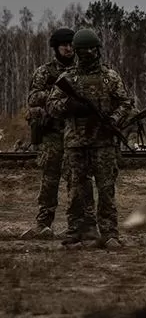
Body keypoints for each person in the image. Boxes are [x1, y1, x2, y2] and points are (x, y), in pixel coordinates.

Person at [45, 28, 135, 248]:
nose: (88, 53)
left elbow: (125, 103)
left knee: (106, 189)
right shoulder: (68, 78)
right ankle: (78, 230)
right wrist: (70, 105)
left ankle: (109, 232)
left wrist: (113, 119)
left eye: (91, 49)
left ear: (98, 50)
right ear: (76, 51)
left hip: (103, 142)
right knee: (77, 189)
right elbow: (51, 106)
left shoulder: (109, 77)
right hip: (75, 143)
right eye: (83, 50)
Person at [22, 27, 94, 240]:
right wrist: (60, 95)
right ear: (56, 47)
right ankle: (44, 223)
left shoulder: (82, 70)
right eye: (64, 45)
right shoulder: (45, 71)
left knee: (77, 179)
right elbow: (34, 98)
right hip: (52, 133)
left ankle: (78, 224)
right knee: (50, 179)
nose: (69, 49)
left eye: (72, 45)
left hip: (76, 132)